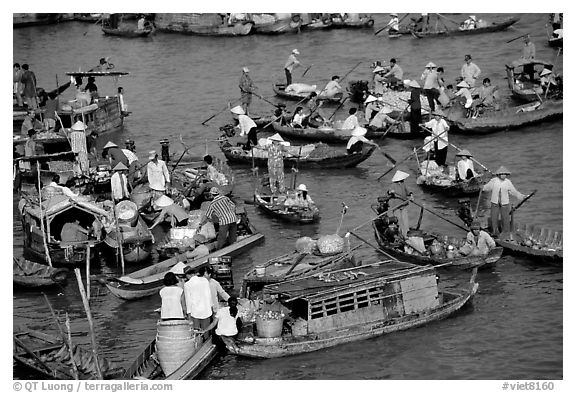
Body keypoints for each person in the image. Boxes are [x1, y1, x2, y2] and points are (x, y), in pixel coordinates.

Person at [482, 166, 527, 239]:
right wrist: (482, 187)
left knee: (505, 218)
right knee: (494, 217)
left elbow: (514, 191)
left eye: (505, 174)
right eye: (502, 174)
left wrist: (522, 196)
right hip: (495, 202)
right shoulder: (494, 181)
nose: (503, 175)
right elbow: (487, 187)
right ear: (499, 174)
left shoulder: (508, 182)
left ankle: (505, 232)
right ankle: (495, 231)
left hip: (504, 203)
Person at [388, 170, 413, 238]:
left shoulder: (403, 184)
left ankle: (406, 233)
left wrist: (411, 195)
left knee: (405, 220)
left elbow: (408, 191)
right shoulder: (393, 185)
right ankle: (402, 234)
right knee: (399, 220)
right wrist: (391, 192)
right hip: (396, 206)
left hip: (404, 204)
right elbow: (389, 191)